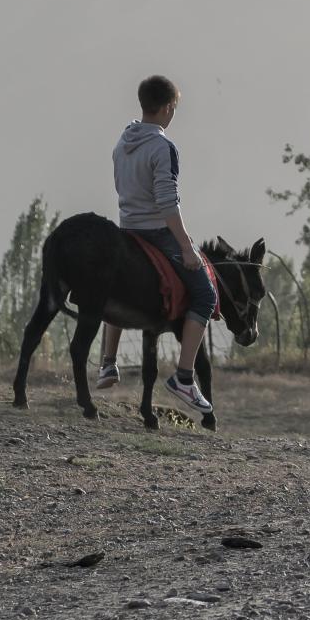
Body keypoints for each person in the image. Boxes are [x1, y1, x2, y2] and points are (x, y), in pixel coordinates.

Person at [93, 74, 214, 413]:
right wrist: (186, 246)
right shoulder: (163, 147)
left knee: (117, 288)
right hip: (156, 232)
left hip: (126, 228)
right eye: (174, 108)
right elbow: (167, 202)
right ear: (166, 108)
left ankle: (107, 361)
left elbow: (121, 186)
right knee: (205, 294)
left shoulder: (123, 141)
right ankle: (185, 378)